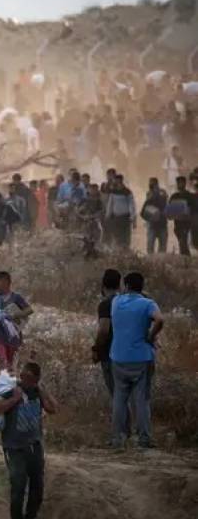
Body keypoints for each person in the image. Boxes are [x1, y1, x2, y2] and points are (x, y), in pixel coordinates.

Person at [0, 362, 58, 519]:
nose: (29, 382)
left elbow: (53, 408)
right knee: (18, 486)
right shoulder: (11, 389)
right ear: (22, 376)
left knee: (37, 486)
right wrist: (14, 399)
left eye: (33, 380)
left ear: (37, 379)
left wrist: (43, 392)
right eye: (26, 378)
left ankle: (31, 515)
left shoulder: (37, 391)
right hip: (14, 448)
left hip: (35, 445)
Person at [110, 272, 163, 449]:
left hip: (118, 356)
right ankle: (144, 439)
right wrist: (151, 336)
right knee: (141, 400)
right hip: (141, 357)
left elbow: (122, 296)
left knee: (119, 399)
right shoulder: (148, 304)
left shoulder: (116, 302)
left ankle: (118, 438)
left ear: (126, 286)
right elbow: (160, 319)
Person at [0, 271, 34, 371]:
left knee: (11, 365)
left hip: (14, 337)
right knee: (3, 363)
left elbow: (29, 310)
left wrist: (16, 315)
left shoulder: (16, 297)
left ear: (5, 282)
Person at [92, 269, 121, 397]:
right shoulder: (125, 302)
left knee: (116, 396)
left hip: (110, 355)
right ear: (119, 285)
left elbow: (104, 330)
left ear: (103, 285)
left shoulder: (106, 304)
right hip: (127, 354)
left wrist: (96, 349)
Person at [105, 174, 136, 250]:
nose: (116, 182)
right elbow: (110, 204)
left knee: (126, 237)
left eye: (117, 180)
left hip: (125, 218)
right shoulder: (113, 192)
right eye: (115, 180)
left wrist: (133, 217)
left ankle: (126, 251)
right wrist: (108, 215)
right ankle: (118, 251)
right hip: (116, 218)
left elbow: (131, 205)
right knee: (117, 236)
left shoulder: (127, 192)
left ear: (121, 180)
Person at [141, 178, 168, 254]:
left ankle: (161, 259)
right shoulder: (149, 193)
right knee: (150, 245)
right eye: (150, 184)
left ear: (157, 184)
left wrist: (157, 193)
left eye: (152, 184)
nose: (150, 185)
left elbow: (164, 202)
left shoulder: (162, 192)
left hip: (161, 222)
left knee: (162, 246)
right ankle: (151, 259)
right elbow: (146, 207)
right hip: (152, 223)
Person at [168, 176, 194, 256]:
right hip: (177, 225)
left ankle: (186, 258)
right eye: (178, 183)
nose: (179, 184)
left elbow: (193, 210)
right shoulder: (174, 196)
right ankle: (186, 258)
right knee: (182, 243)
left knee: (183, 242)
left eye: (181, 183)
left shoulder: (189, 196)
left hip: (186, 224)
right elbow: (169, 212)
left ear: (185, 184)